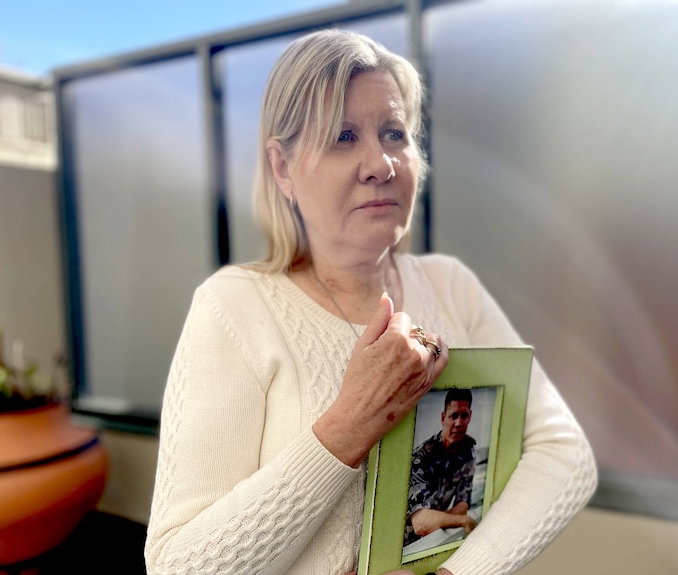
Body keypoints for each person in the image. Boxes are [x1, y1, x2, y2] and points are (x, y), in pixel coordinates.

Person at [144, 28, 597, 575]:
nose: (380, 164)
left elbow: (564, 454)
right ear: (282, 168)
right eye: (342, 136)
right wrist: (353, 421)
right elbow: (175, 566)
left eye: (394, 133)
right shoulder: (235, 309)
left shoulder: (451, 285)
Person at [405, 389, 478, 547]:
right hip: (406, 544)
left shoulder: (467, 451)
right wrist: (461, 521)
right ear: (443, 418)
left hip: (435, 536)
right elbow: (420, 523)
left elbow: (462, 503)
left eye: (464, 415)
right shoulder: (421, 458)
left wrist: (441, 522)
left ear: (470, 416)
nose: (458, 423)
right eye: (453, 416)